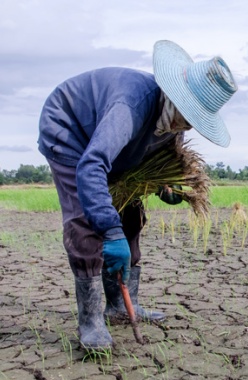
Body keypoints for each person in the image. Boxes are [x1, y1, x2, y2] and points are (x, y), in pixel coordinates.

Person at [37, 40, 237, 351]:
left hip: (107, 148)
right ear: (172, 95)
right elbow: (92, 165)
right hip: (70, 130)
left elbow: (142, 159)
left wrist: (164, 188)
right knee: (85, 220)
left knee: (131, 215)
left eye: (193, 120)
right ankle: (90, 321)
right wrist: (109, 229)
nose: (184, 125)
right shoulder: (130, 106)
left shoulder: (175, 125)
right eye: (185, 113)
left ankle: (120, 305)